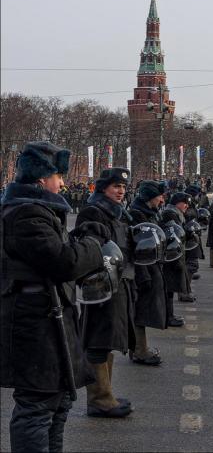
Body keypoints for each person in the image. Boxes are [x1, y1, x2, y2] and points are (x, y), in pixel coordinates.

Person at [1, 141, 110, 453]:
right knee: (36, 407)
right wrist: (91, 243)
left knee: (59, 402)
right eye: (58, 176)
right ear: (41, 179)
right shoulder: (26, 214)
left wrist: (79, 238)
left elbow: (55, 255)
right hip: (34, 323)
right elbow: (64, 262)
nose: (63, 182)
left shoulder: (36, 210)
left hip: (49, 319)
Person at [75, 168, 136, 418]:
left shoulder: (116, 212)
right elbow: (89, 250)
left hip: (117, 283)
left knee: (109, 338)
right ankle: (99, 399)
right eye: (115, 187)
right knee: (100, 339)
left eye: (123, 187)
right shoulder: (94, 211)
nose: (121, 191)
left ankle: (106, 392)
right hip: (101, 286)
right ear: (103, 188)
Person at [129, 180, 168, 364]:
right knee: (141, 311)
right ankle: (140, 350)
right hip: (143, 268)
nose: (162, 199)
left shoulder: (147, 212)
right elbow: (138, 247)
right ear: (150, 197)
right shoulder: (137, 214)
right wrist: (143, 274)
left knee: (143, 310)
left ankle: (139, 348)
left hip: (150, 266)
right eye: (159, 196)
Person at [160, 192, 191, 327]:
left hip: (174, 256)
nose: (187, 205)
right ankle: (168, 317)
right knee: (168, 289)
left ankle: (169, 315)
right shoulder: (170, 215)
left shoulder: (175, 214)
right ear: (177, 202)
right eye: (185, 202)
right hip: (171, 257)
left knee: (170, 289)